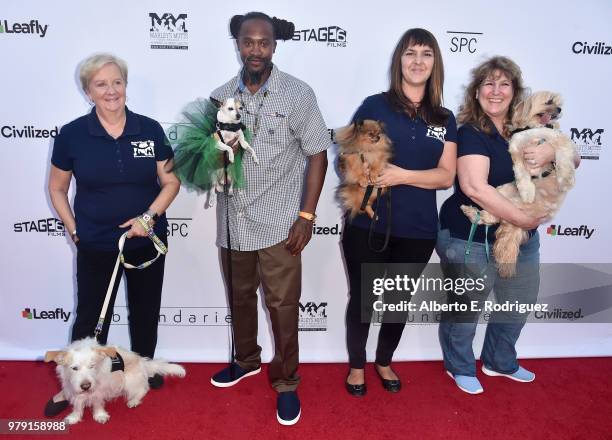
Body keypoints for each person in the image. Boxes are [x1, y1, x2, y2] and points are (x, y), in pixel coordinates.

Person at [208, 12, 329, 426]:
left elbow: (317, 153)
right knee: (239, 300)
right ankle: (245, 361)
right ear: (238, 44)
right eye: (248, 42)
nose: (255, 49)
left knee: (282, 308)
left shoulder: (297, 94)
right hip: (233, 222)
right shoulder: (221, 95)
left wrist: (307, 216)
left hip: (279, 224)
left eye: (263, 42)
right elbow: (212, 156)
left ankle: (287, 382)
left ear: (274, 46)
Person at [45, 53, 180, 416]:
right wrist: (75, 231)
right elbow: (57, 188)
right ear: (88, 92)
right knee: (90, 315)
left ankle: (145, 368)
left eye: (116, 82)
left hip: (146, 239)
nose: (111, 90)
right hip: (96, 242)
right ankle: (75, 387)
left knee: (145, 309)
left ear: (125, 85)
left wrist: (148, 218)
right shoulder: (73, 134)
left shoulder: (149, 129)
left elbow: (170, 181)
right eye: (101, 84)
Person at [437, 56, 579, 395]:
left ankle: (499, 361)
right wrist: (525, 219)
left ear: (515, 92)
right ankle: (459, 366)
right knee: (466, 309)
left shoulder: (527, 129)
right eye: (489, 83)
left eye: (504, 84)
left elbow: (572, 158)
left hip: (520, 237)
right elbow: (474, 187)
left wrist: (551, 155)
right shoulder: (470, 131)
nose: (496, 91)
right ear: (476, 92)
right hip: (470, 235)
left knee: (518, 301)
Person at [341, 28, 457, 397]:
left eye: (426, 54)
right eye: (410, 53)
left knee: (397, 302)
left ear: (435, 63)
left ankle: (384, 360)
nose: (418, 61)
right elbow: (347, 161)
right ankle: (357, 365)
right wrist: (365, 171)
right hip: (367, 223)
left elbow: (446, 176)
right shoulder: (375, 105)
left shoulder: (444, 117)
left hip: (419, 228)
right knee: (363, 298)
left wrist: (402, 175)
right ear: (399, 61)